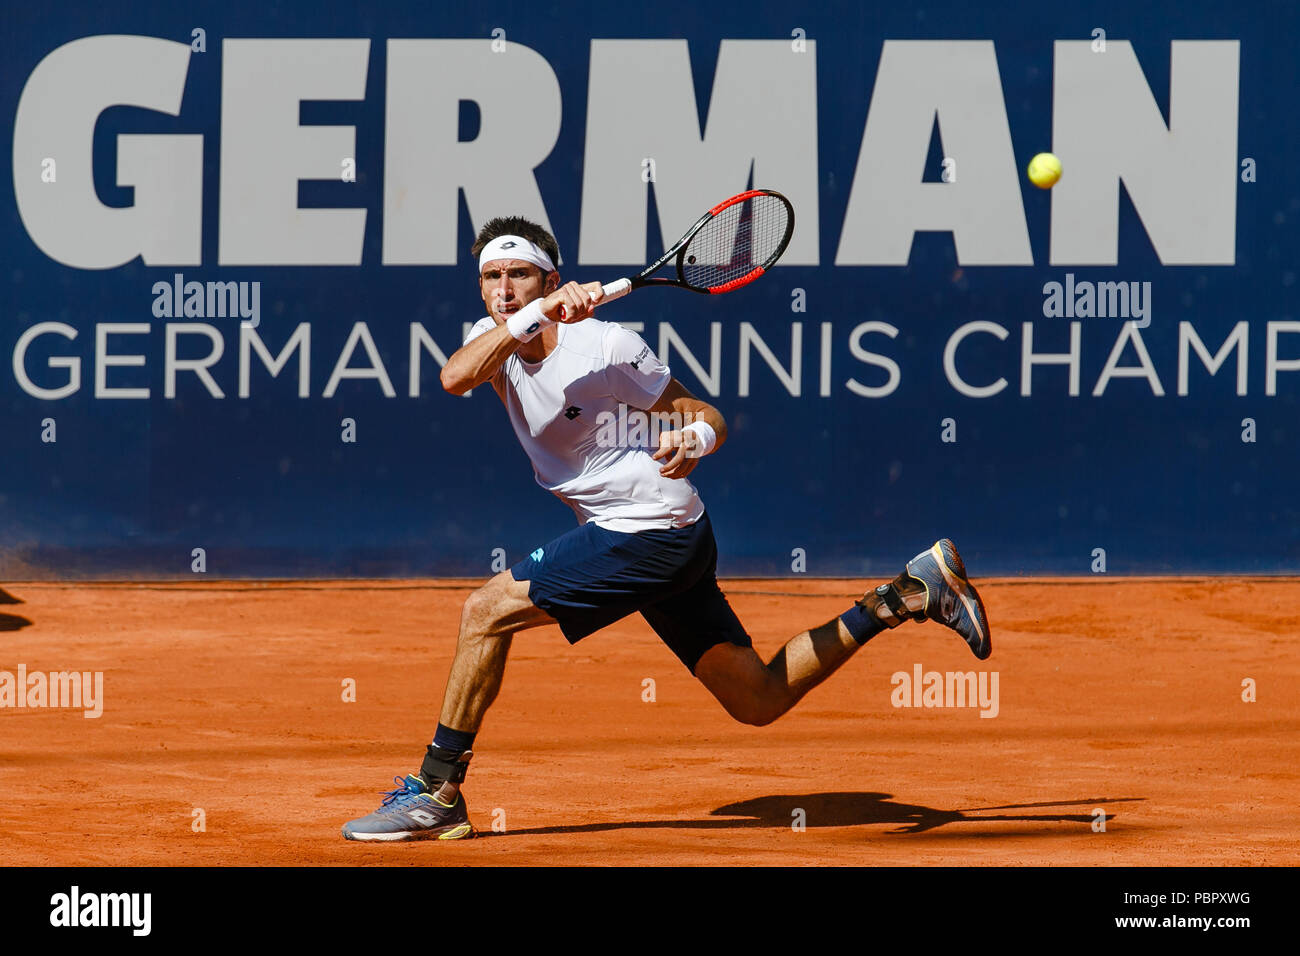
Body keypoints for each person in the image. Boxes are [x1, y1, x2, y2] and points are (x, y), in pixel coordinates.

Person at [341, 217, 991, 842]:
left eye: (520, 275)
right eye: (492, 277)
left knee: (486, 612)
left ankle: (436, 793)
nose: (503, 288)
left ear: (551, 278)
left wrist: (697, 437)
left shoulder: (608, 345)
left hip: (655, 527)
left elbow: (705, 413)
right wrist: (533, 317)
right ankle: (906, 594)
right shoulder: (495, 338)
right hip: (643, 534)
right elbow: (454, 377)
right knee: (756, 697)